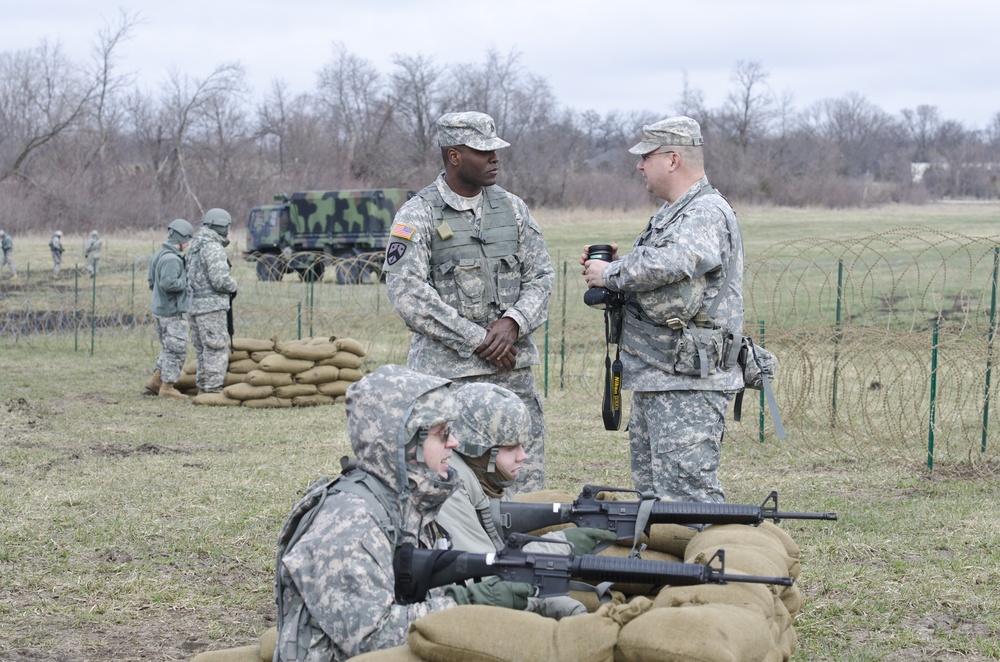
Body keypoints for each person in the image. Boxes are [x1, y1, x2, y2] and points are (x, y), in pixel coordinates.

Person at [273, 365, 536, 662]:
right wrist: (468, 606)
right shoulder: (349, 522)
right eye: (441, 434)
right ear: (404, 442)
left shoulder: (406, 501)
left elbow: (410, 596)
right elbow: (373, 638)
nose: (454, 443)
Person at [383, 111, 555, 494]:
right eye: (483, 151)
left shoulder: (512, 209)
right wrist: (476, 339)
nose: (495, 158)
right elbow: (407, 293)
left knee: (523, 486)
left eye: (496, 150)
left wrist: (513, 323)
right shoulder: (418, 214)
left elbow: (542, 276)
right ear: (454, 156)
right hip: (449, 380)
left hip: (513, 376)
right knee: (451, 487)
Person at [580, 116, 744, 504]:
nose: (639, 165)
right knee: (653, 500)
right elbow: (667, 275)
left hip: (688, 383)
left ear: (672, 159)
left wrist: (614, 273)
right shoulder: (674, 213)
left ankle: (712, 562)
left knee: (688, 501)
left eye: (646, 156)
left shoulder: (704, 212)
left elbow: (675, 262)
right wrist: (624, 268)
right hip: (661, 375)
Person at [185, 208, 238, 394]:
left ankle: (202, 386)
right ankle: (213, 390)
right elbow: (220, 280)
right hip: (211, 308)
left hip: (194, 306)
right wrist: (234, 285)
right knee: (215, 349)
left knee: (202, 350)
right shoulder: (213, 248)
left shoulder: (195, 246)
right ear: (222, 226)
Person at [144, 219, 194, 399]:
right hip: (172, 312)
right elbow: (168, 283)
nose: (188, 244)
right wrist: (186, 282)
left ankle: (156, 381)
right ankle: (167, 387)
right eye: (187, 239)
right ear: (180, 238)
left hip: (160, 309)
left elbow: (152, 282)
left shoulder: (159, 255)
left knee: (168, 347)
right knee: (177, 349)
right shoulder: (172, 259)